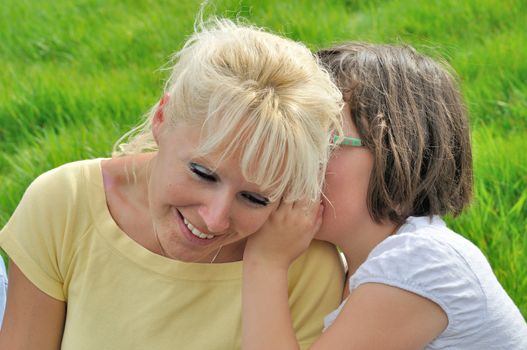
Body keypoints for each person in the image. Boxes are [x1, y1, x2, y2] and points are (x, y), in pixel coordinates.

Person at [0, 18, 346, 350]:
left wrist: (265, 268)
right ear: (162, 118)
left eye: (254, 198)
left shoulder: (303, 265)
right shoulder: (64, 203)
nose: (214, 218)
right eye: (202, 172)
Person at [242, 42, 527, 349]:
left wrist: (265, 263)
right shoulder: (357, 265)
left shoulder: (421, 261)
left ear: (397, 152)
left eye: (323, 140)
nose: (298, 160)